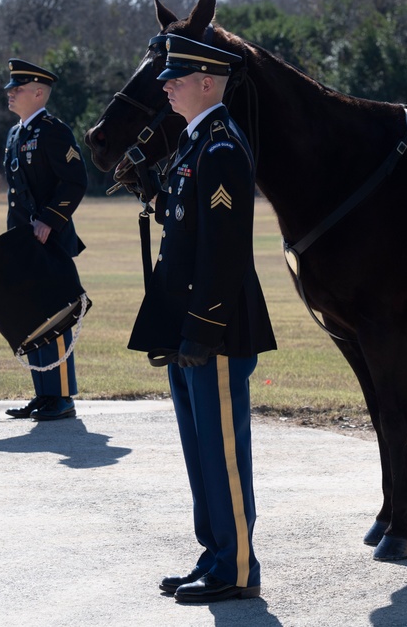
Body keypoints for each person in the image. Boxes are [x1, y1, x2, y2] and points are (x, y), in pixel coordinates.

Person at [127, 34, 276, 603]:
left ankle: (237, 567)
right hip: (188, 326)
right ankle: (215, 552)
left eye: (177, 77)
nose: (165, 84)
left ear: (209, 83)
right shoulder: (193, 146)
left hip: (214, 328)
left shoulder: (220, 149)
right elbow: (188, 232)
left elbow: (225, 253)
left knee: (222, 453)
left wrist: (203, 327)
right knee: (200, 449)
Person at [1, 58, 88, 422]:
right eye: (10, 88)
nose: (9, 93)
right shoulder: (15, 133)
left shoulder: (53, 130)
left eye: (17, 88)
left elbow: (76, 179)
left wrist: (51, 220)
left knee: (55, 318)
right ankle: (44, 394)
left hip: (48, 239)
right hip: (23, 241)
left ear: (38, 92)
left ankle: (62, 396)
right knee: (34, 318)